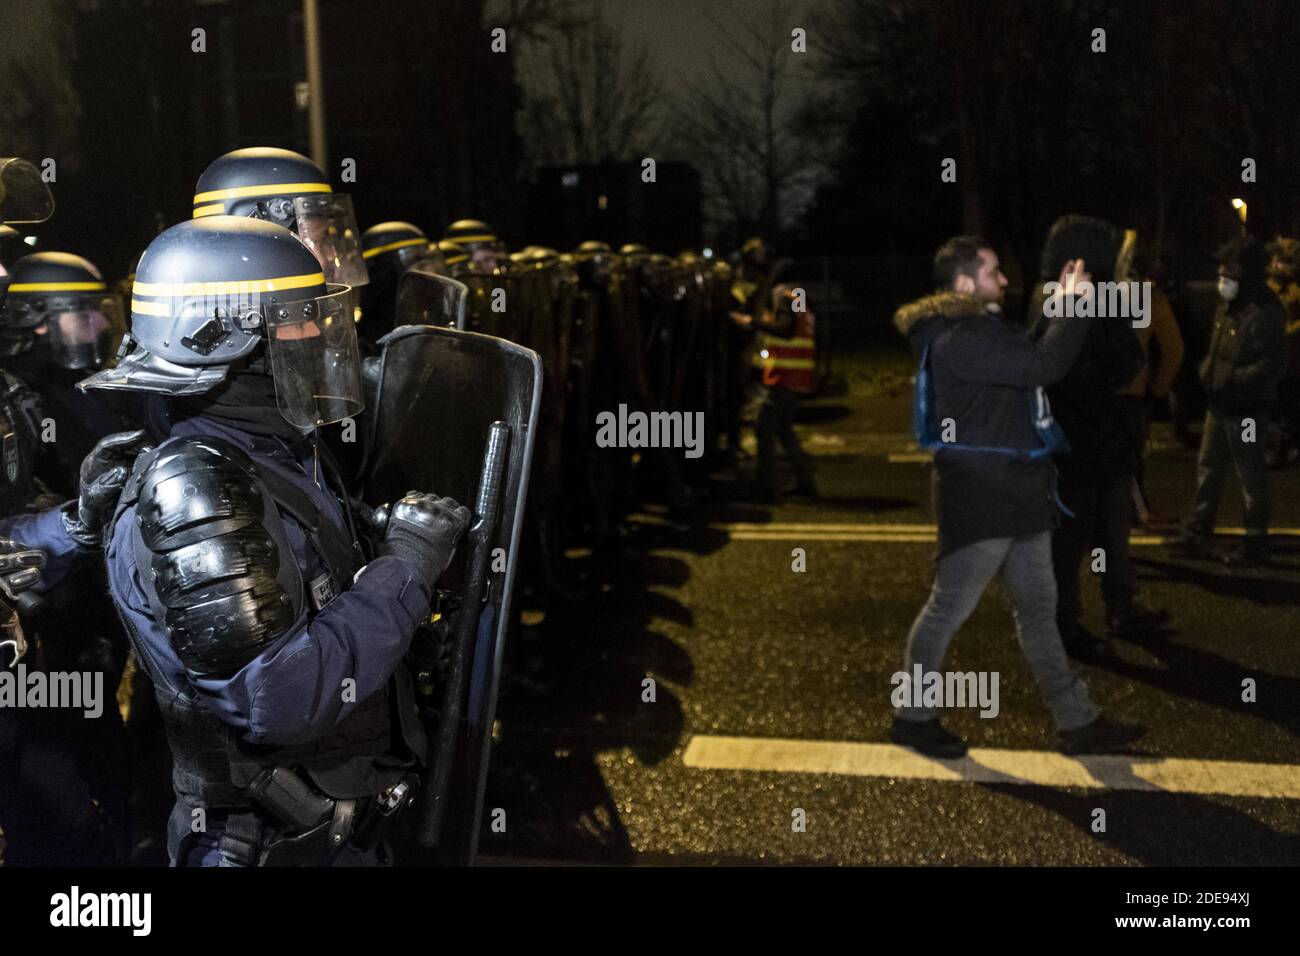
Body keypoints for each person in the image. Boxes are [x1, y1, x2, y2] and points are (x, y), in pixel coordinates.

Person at [80, 216, 471, 866]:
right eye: (296, 316)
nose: (317, 332)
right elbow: (281, 698)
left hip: (327, 829)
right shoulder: (194, 484)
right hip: (264, 840)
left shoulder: (263, 446)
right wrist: (405, 569)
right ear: (218, 332)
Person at [890, 235, 1144, 758]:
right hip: (985, 498)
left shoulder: (974, 330)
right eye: (992, 271)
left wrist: (1059, 306)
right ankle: (912, 717)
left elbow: (1025, 352)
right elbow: (1041, 367)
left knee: (1039, 611)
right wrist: (1074, 306)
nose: (1004, 280)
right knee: (947, 610)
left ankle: (1078, 721)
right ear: (963, 282)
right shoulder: (958, 336)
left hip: (1016, 493)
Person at [1027, 216, 1157, 661]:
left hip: (1103, 449)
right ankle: (1062, 627)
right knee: (1068, 547)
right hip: (1077, 451)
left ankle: (1120, 607)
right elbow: (1081, 380)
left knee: (1111, 536)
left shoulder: (1097, 302)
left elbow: (1126, 361)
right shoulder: (1064, 305)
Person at [1173, 234, 1287, 566]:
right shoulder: (1229, 306)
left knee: (1251, 474)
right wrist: (1209, 373)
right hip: (1220, 405)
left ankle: (1255, 541)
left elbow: (1273, 364)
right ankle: (1197, 532)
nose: (1222, 277)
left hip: (1248, 411)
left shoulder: (1265, 312)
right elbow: (1217, 349)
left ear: (1246, 272)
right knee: (1208, 469)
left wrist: (1232, 380)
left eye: (1229, 271)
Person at [742, 283, 818, 500]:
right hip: (797, 377)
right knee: (783, 430)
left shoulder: (782, 297)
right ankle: (806, 483)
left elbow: (785, 329)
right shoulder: (800, 301)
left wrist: (753, 322)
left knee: (763, 428)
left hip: (783, 377)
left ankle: (764, 486)